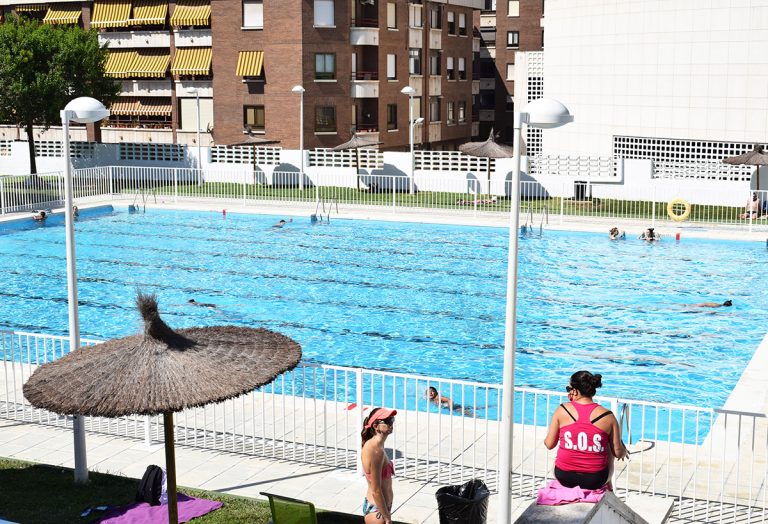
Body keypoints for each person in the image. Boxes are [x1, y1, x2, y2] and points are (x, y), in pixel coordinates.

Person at [544, 371, 627, 490]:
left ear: (575, 391)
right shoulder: (608, 416)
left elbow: (549, 444)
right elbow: (618, 453)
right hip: (595, 480)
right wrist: (623, 450)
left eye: (569, 389)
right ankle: (609, 487)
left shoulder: (562, 410)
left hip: (564, 477)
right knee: (608, 444)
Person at [361, 407, 397, 524]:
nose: (391, 423)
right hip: (378, 511)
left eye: (392, 419)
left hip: (381, 508)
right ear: (376, 426)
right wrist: (387, 518)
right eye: (387, 421)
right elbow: (376, 489)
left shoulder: (378, 446)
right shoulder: (375, 451)